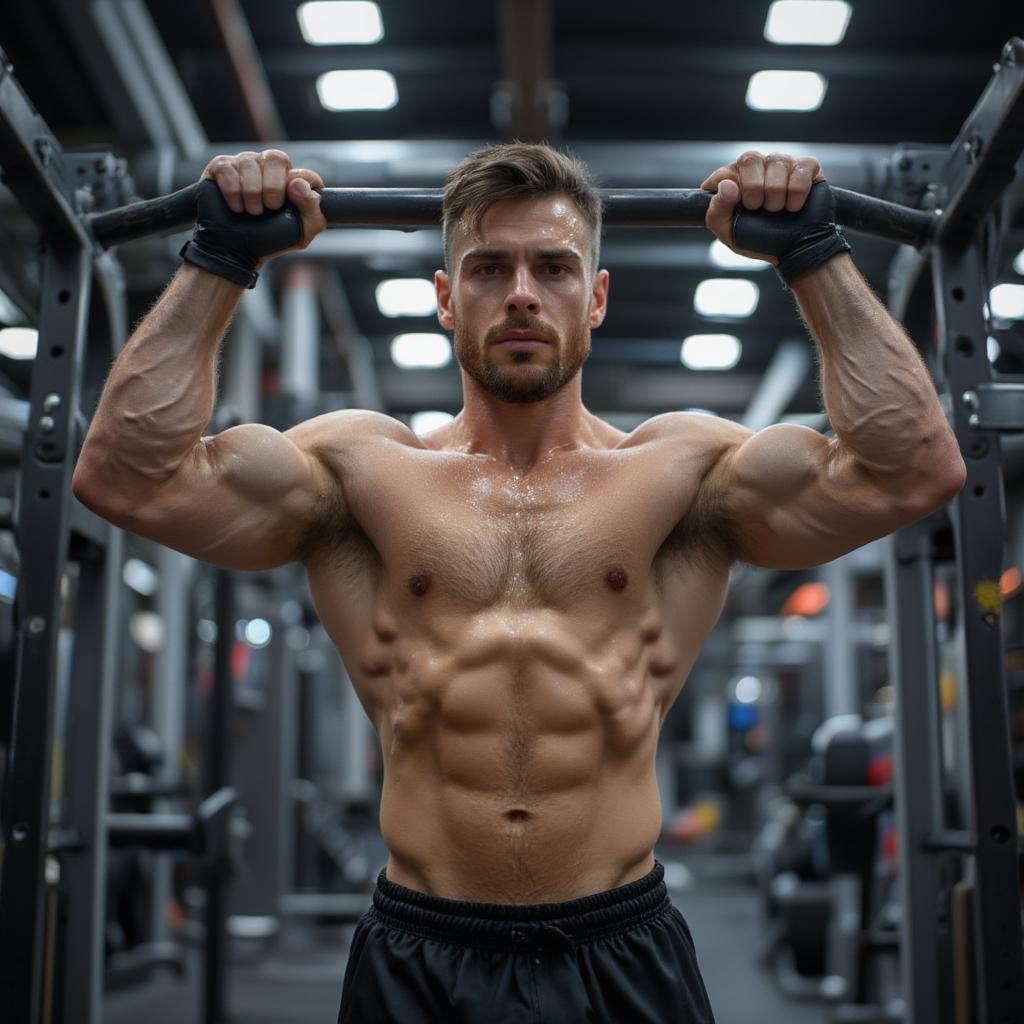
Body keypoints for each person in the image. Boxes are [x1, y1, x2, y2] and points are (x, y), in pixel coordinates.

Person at [72, 144, 965, 1023]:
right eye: (489, 268)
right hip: (419, 953)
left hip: (623, 947)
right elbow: (128, 478)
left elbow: (910, 472)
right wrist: (219, 260)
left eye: (555, 267)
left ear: (598, 297)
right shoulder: (357, 472)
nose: (524, 293)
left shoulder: (684, 473)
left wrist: (815, 255)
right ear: (445, 301)